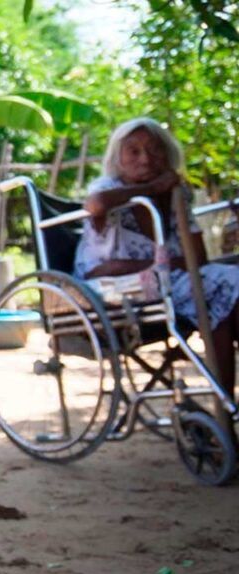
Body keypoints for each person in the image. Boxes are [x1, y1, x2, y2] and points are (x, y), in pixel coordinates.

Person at [75, 117, 239, 402]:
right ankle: (225, 409)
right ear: (119, 157)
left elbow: (197, 259)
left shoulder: (176, 196)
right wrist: (151, 190)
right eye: (134, 151)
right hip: (116, 288)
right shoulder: (108, 187)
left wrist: (163, 263)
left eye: (154, 150)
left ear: (168, 155)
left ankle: (225, 409)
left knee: (223, 310)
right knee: (223, 288)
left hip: (171, 282)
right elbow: (97, 205)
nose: (146, 159)